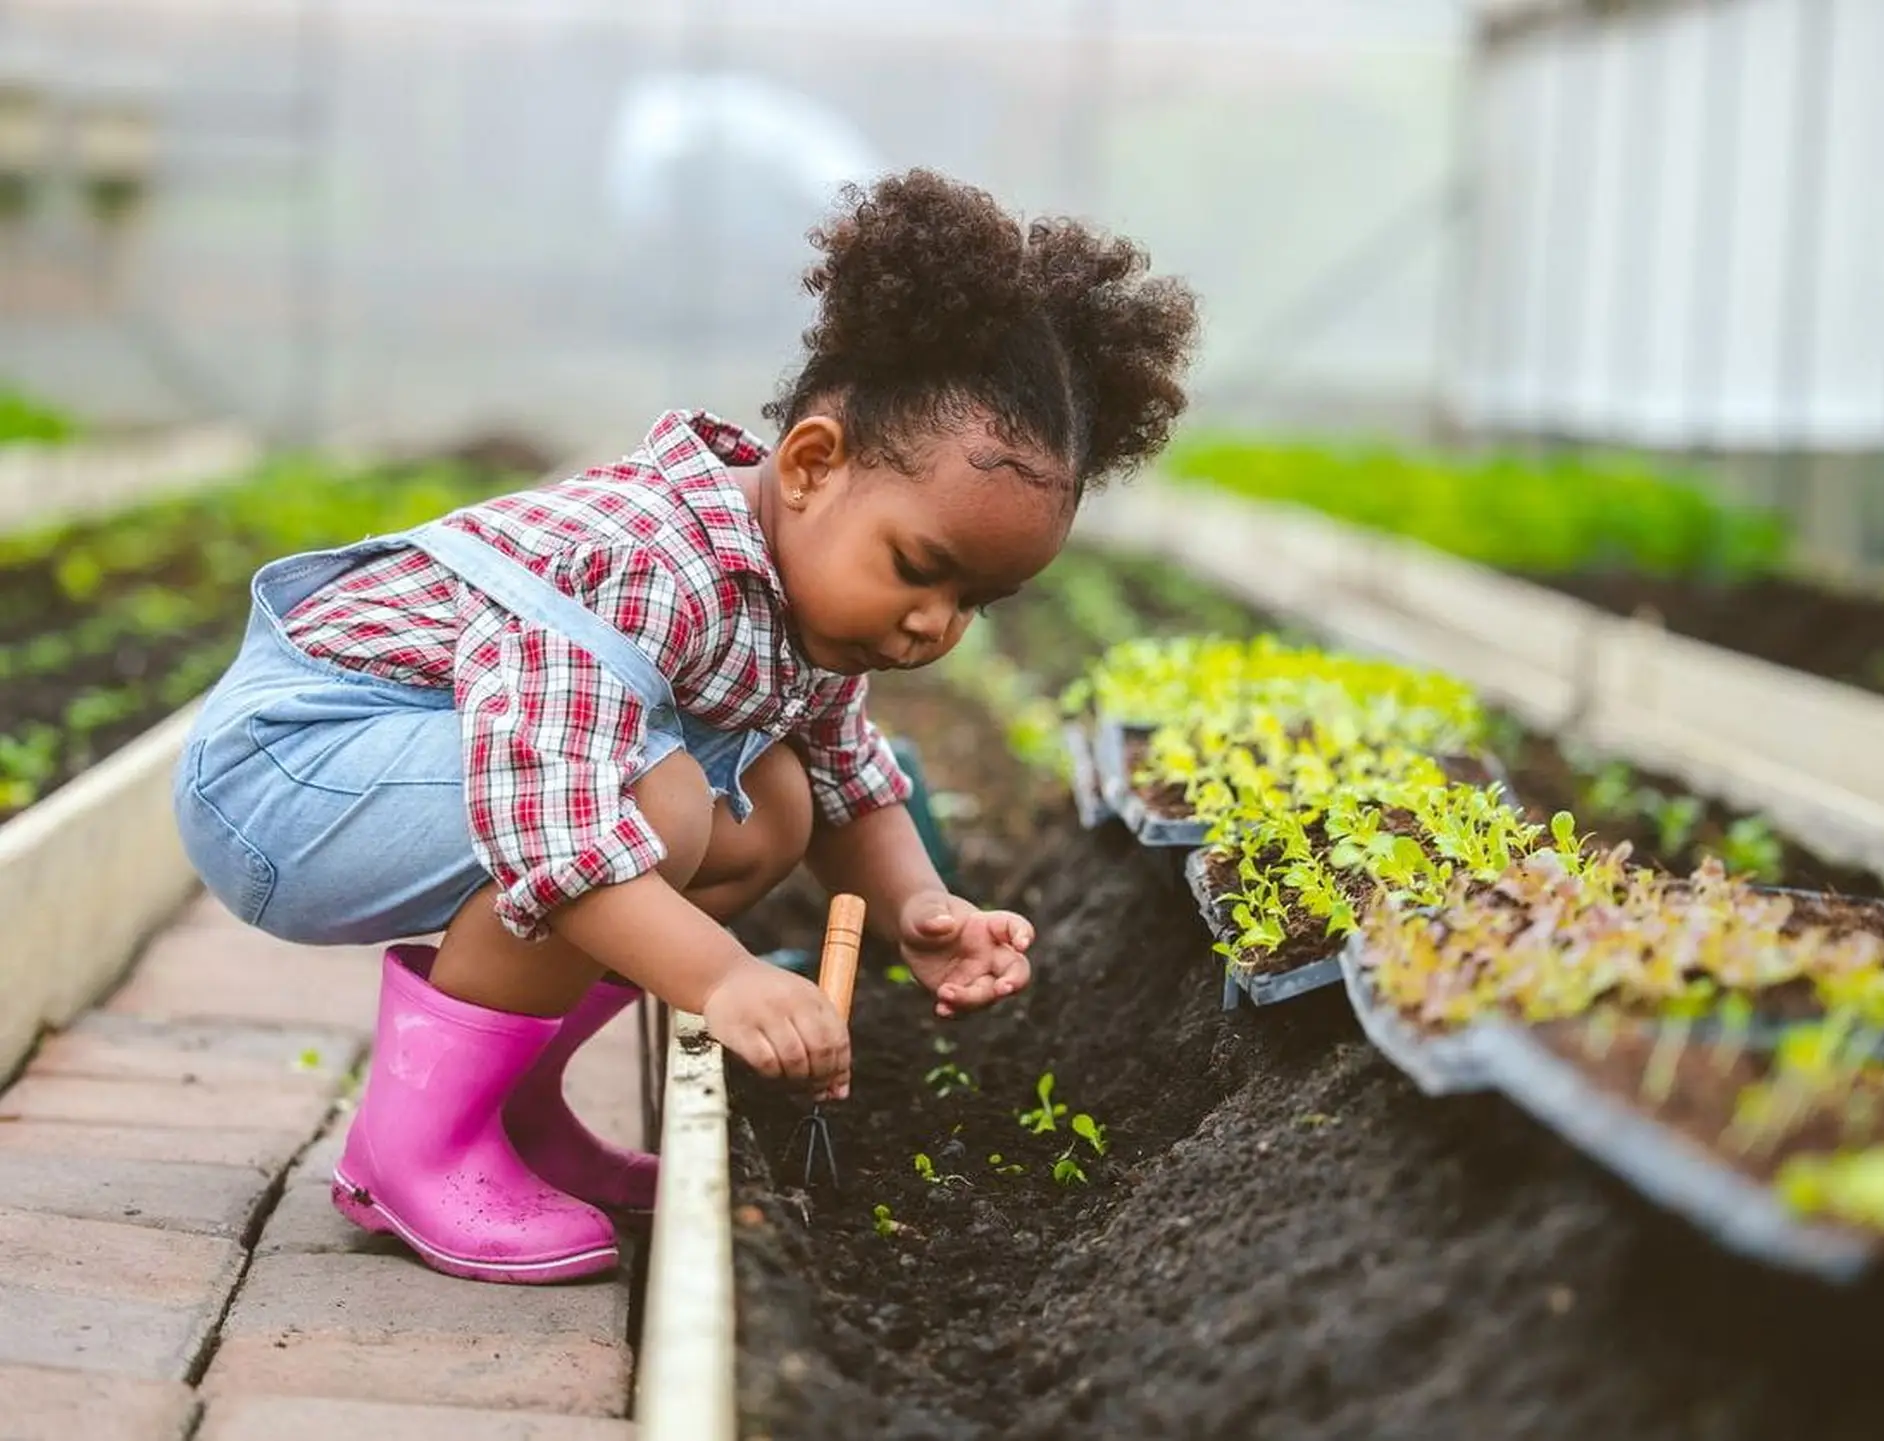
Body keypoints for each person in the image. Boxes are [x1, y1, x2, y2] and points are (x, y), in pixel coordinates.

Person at [172, 168, 1199, 1285]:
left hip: (412, 769)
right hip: (287, 776)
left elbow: (851, 783)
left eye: (975, 604)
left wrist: (919, 909)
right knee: (650, 802)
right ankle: (413, 1151)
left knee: (775, 804)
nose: (934, 624)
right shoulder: (649, 561)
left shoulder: (796, 601)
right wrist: (724, 978)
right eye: (922, 570)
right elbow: (557, 826)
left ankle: (508, 1109)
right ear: (811, 465)